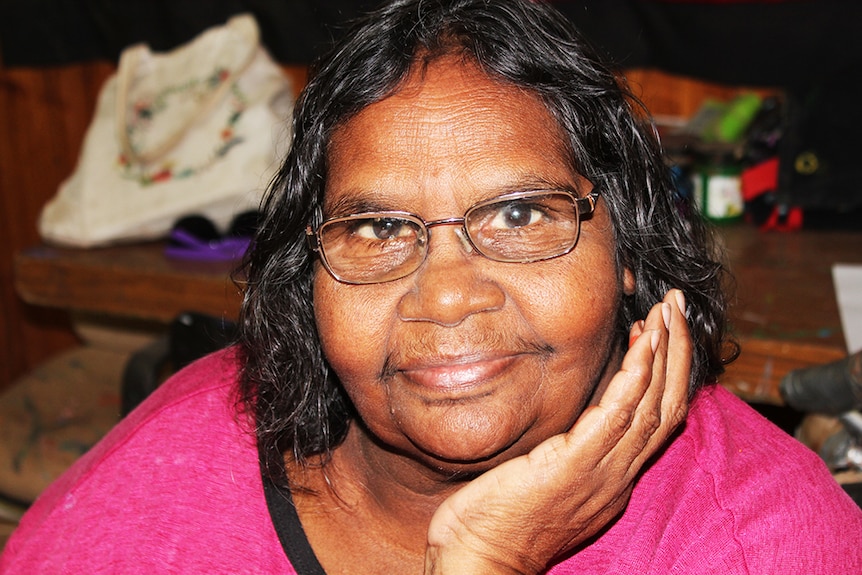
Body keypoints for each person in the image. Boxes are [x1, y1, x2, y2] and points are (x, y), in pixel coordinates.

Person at [2, 0, 860, 573]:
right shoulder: (163, 487)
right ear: (310, 273)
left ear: (628, 245)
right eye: (377, 228)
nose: (446, 297)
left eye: (522, 216)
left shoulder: (757, 537)